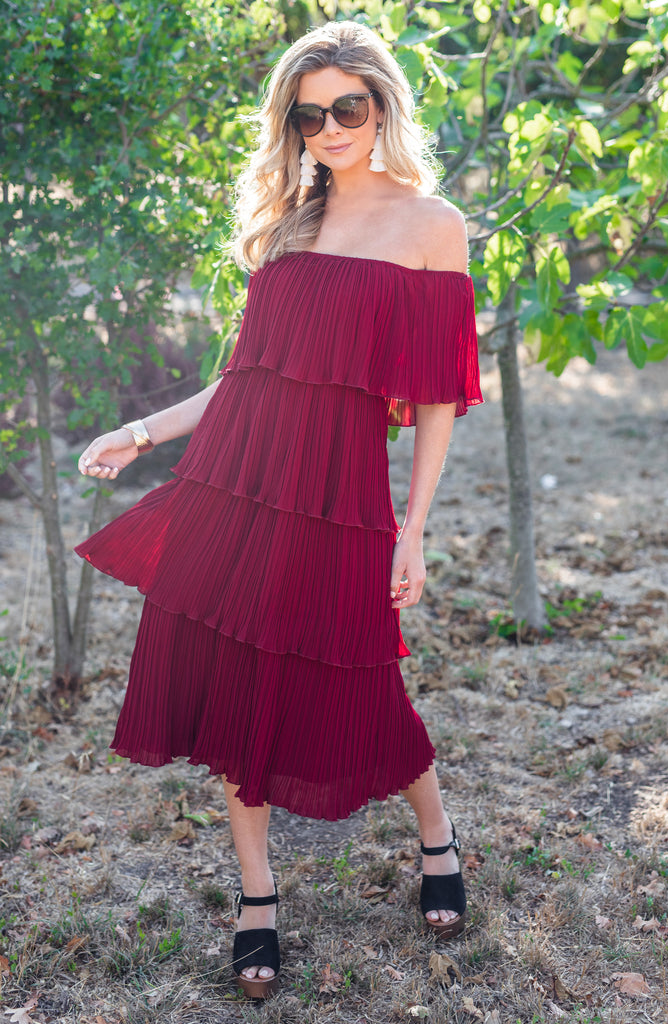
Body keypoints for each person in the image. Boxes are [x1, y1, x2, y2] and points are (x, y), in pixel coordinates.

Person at [76, 20, 482, 999]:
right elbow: (246, 377)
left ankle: (435, 835)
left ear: (379, 104)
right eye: (309, 116)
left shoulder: (431, 225)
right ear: (291, 128)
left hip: (340, 498)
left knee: (362, 681)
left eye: (346, 107)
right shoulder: (288, 225)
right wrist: (145, 432)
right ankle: (256, 893)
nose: (330, 128)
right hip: (239, 481)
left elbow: (435, 398)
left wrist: (414, 524)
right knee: (230, 675)